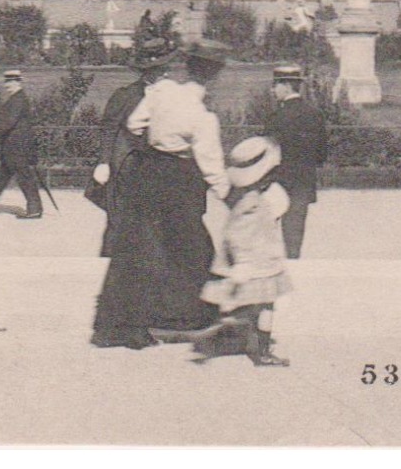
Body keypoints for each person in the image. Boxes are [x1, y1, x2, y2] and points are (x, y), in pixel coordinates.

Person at [92, 45, 230, 349]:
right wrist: (230, 195)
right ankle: (178, 318)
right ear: (214, 76)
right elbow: (211, 167)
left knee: (136, 247)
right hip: (177, 179)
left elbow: (134, 124)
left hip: (146, 173)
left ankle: (120, 327)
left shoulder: (161, 91)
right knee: (192, 249)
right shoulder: (202, 116)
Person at [194, 136, 294, 367]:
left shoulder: (249, 199)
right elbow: (239, 234)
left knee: (256, 304)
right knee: (265, 305)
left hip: (260, 260)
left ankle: (240, 333)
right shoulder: (255, 203)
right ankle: (260, 350)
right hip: (259, 263)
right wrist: (243, 262)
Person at [91, 38, 174, 257]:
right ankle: (109, 262)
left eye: (165, 69)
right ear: (146, 72)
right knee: (119, 218)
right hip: (125, 164)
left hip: (155, 166)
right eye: (159, 70)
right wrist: (103, 162)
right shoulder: (126, 95)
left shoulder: (169, 97)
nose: (164, 74)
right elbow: (109, 129)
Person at [264, 65, 327, 258]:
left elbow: (266, 152)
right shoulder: (315, 114)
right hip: (303, 179)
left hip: (278, 180)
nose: (273, 91)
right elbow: (321, 153)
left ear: (286, 86)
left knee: (267, 230)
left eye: (275, 86)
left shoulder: (276, 117)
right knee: (295, 232)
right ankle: (294, 265)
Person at [0, 70, 42, 219]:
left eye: (11, 82)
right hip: (12, 145)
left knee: (24, 177)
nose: (7, 85)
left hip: (18, 146)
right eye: (7, 82)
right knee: (2, 176)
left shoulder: (18, 99)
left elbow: (8, 122)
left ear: (18, 82)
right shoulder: (16, 98)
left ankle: (35, 208)